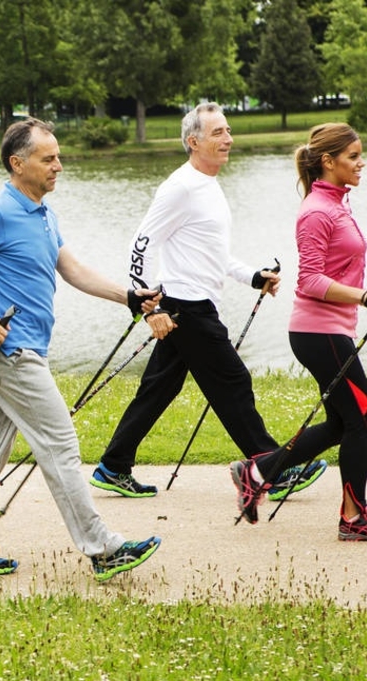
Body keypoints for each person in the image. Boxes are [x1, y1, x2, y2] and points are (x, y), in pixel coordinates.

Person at [0, 119, 162, 581]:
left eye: (58, 156)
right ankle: (102, 548)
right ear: (18, 164)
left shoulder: (43, 213)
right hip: (11, 353)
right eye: (48, 158)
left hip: (27, 350)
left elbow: (72, 270)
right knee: (60, 442)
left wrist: (130, 298)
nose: (59, 165)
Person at [91, 103, 327, 502]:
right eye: (218, 133)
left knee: (158, 389)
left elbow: (212, 255)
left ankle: (113, 466)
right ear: (193, 141)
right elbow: (141, 244)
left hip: (193, 304)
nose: (228, 139)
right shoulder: (180, 187)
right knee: (234, 382)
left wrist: (251, 276)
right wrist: (153, 308)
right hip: (186, 308)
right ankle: (271, 467)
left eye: (229, 131)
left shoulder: (208, 186)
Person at [231, 123, 367, 530]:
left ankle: (256, 473)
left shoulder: (336, 204)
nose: (361, 164)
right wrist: (362, 297)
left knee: (342, 423)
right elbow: (309, 280)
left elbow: (343, 265)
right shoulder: (316, 212)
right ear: (329, 162)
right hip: (317, 332)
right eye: (353, 157)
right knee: (362, 417)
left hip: (332, 329)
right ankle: (355, 515)